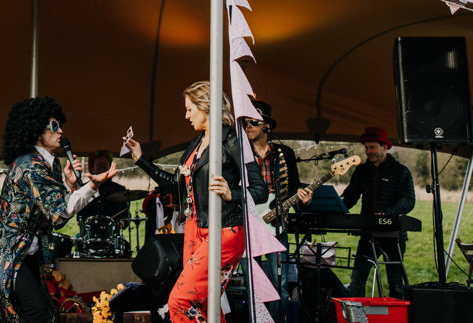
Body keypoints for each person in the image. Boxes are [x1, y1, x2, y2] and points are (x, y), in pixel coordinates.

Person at [125, 81, 268, 323]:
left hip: (224, 231)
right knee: (206, 303)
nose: (186, 115)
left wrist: (232, 193)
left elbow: (260, 190)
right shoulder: (196, 144)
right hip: (195, 230)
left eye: (190, 109)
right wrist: (142, 160)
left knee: (180, 301)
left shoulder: (233, 140)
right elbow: (176, 186)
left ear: (207, 107)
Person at [0, 97, 117, 323]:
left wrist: (68, 184)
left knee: (43, 312)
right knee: (35, 310)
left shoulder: (48, 164)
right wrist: (93, 185)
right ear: (37, 131)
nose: (61, 130)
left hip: (27, 253)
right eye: (54, 126)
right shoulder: (30, 165)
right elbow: (60, 210)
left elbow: (55, 218)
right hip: (9, 253)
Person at [244, 101, 310, 322]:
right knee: (252, 284)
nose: (248, 127)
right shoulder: (240, 154)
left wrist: (304, 199)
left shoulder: (285, 153)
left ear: (267, 126)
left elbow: (295, 187)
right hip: (249, 224)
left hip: (276, 224)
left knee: (279, 284)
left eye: (253, 122)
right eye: (245, 123)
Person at [341, 126, 416, 300]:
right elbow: (350, 196)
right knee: (357, 279)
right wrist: (335, 205)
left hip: (393, 236)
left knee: (396, 284)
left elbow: (408, 200)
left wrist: (387, 213)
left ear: (385, 147)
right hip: (367, 234)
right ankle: (357, 318)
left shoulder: (400, 171)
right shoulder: (362, 170)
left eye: (372, 147)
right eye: (366, 148)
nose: (368, 152)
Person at [76, 150, 130, 223]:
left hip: (113, 232)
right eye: (99, 164)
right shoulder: (84, 189)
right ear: (93, 169)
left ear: (109, 167)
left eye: (104, 163)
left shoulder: (120, 189)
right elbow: (80, 216)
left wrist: (123, 223)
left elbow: (126, 215)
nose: (102, 165)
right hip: (90, 231)